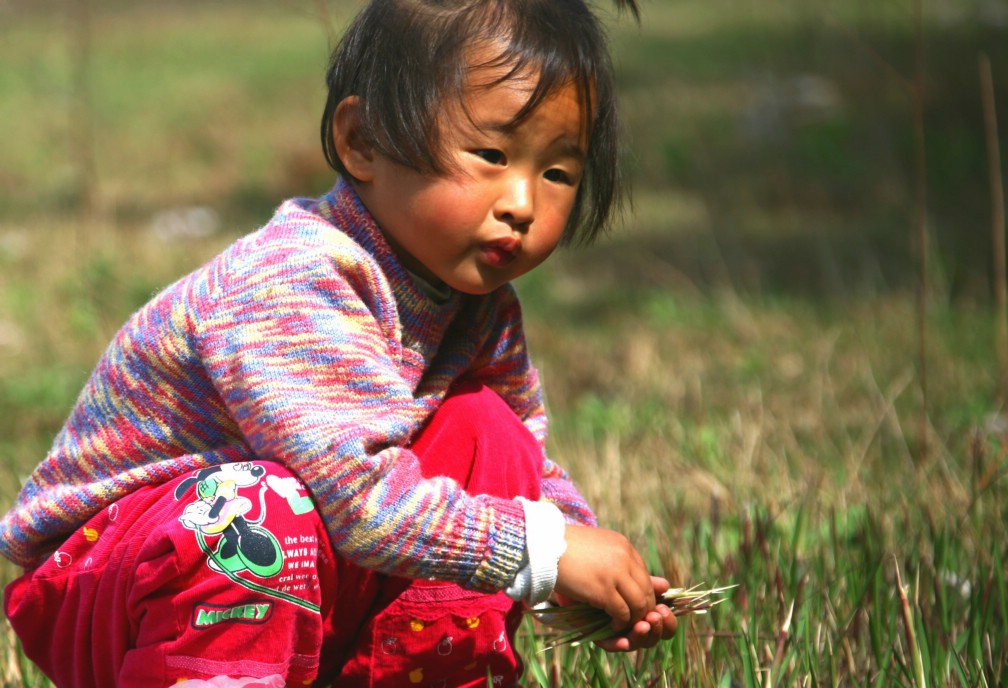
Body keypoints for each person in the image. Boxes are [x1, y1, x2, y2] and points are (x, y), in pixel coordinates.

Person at [0, 0, 678, 685]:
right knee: (260, 515)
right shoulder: (293, 279)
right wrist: (543, 550)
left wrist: (584, 559)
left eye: (557, 172)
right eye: (492, 155)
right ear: (363, 142)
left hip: (297, 562)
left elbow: (524, 472)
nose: (523, 203)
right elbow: (359, 500)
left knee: (487, 431)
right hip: (103, 578)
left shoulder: (480, 308)